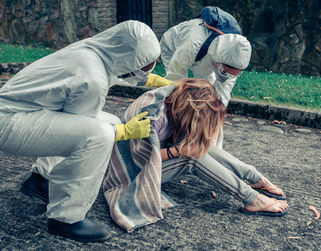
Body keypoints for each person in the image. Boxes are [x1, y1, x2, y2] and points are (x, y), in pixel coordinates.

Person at [0, 20, 160, 242]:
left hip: (21, 112)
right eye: (143, 67)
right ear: (125, 57)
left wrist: (158, 81)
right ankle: (65, 217)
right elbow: (85, 124)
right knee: (100, 135)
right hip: (10, 124)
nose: (143, 73)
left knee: (106, 121)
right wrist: (125, 131)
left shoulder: (92, 51)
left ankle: (40, 180)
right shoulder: (91, 78)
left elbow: (112, 76)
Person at [102, 78, 288, 232]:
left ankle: (253, 177)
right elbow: (142, 158)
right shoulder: (154, 118)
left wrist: (187, 145)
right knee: (190, 158)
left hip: (151, 159)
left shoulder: (176, 97)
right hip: (130, 173)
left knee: (198, 146)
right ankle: (252, 199)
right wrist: (179, 151)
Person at [159, 6, 252, 107]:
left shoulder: (234, 56)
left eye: (233, 74)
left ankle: (200, 114)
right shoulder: (192, 44)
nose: (227, 76)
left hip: (204, 55)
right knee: (178, 88)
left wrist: (218, 110)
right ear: (220, 63)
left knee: (208, 92)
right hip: (173, 46)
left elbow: (223, 91)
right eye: (225, 72)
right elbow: (175, 75)